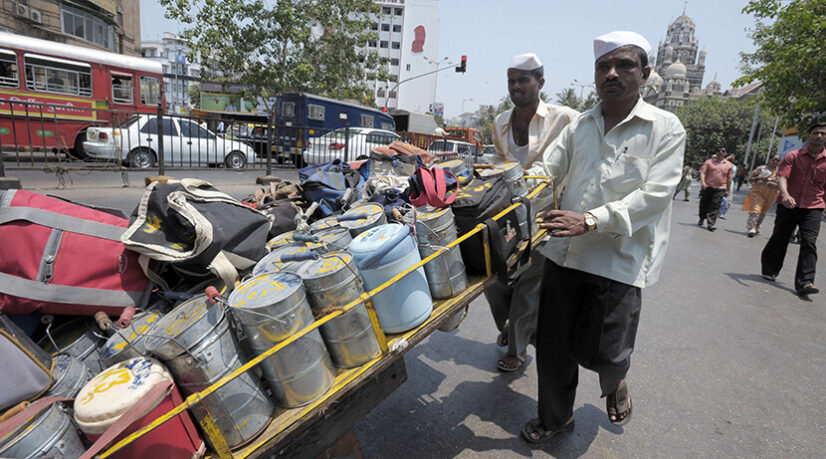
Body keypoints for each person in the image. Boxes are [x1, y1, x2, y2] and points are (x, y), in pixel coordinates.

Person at [523, 31, 685, 442]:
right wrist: (515, 185)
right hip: (565, 252)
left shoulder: (665, 128)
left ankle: (615, 383)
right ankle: (555, 418)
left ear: (645, 73)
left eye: (624, 65)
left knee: (606, 353)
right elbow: (548, 169)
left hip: (619, 258)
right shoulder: (580, 124)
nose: (612, 73)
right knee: (554, 347)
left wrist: (591, 220)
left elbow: (655, 195)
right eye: (603, 67)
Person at [486, 53, 578, 372]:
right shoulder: (500, 122)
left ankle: (518, 348)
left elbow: (589, 140)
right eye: (511, 80)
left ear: (540, 83)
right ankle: (511, 328)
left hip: (545, 217)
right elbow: (498, 165)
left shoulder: (564, 117)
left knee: (528, 285)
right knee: (494, 279)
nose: (516, 86)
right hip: (507, 217)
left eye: (523, 80)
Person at [760, 122, 826, 296]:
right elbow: (782, 177)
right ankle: (770, 269)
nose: (819, 136)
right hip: (789, 203)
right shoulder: (793, 156)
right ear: (809, 135)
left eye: (823, 134)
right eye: (815, 133)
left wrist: (823, 208)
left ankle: (806, 282)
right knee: (780, 237)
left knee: (809, 242)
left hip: (813, 206)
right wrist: (786, 195)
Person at [743, 155, 781, 237]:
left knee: (763, 211)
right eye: (774, 159)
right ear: (769, 159)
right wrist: (760, 178)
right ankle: (751, 228)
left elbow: (782, 183)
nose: (775, 162)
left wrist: (774, 182)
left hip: (771, 194)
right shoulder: (761, 168)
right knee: (756, 209)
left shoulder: (780, 171)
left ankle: (756, 227)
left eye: (777, 160)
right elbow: (750, 179)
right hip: (758, 192)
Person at [698, 148, 733, 231]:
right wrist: (703, 183)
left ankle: (711, 223)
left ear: (725, 153)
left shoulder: (728, 165)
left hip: (720, 188)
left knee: (715, 205)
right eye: (719, 151)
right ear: (716, 152)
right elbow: (703, 173)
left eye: (723, 151)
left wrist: (728, 189)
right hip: (708, 186)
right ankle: (702, 218)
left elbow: (729, 178)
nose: (720, 152)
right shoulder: (709, 162)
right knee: (704, 203)